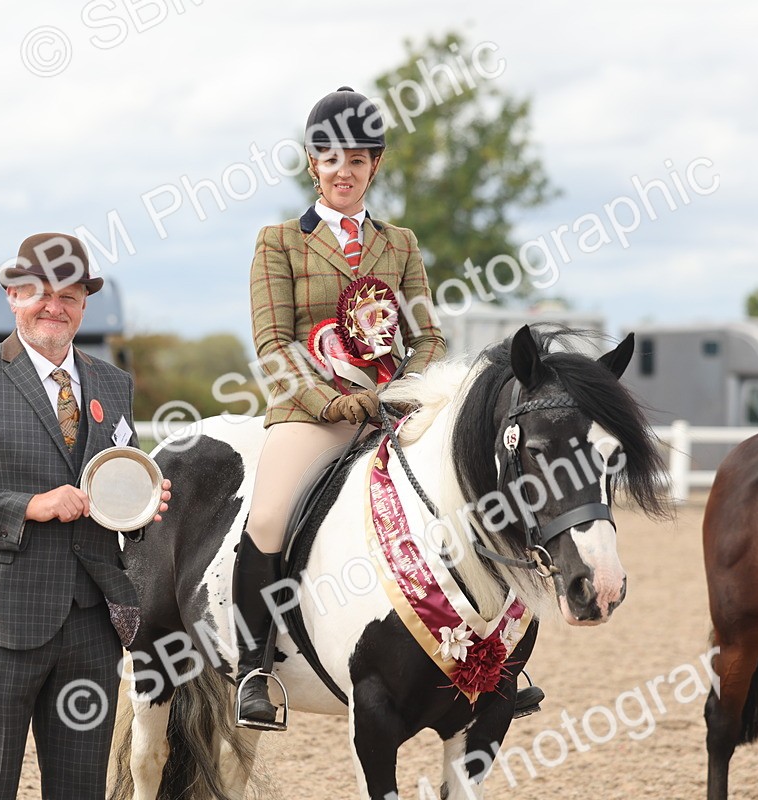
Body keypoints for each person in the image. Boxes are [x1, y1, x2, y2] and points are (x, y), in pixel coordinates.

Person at [0, 232, 172, 799]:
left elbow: (111, 478)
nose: (54, 306)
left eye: (70, 296)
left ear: (84, 305)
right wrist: (29, 506)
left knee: (80, 790)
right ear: (11, 295)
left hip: (91, 627)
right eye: (40, 293)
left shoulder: (112, 384)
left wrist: (141, 503)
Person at [235, 86, 451, 730]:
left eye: (357, 160)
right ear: (312, 164)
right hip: (312, 412)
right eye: (330, 158)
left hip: (393, 409)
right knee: (269, 516)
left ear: (374, 167)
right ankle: (254, 668)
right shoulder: (280, 242)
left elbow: (429, 336)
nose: (343, 170)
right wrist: (335, 403)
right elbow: (273, 345)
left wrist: (394, 396)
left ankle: (492, 662)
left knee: (463, 490)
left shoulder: (402, 243)